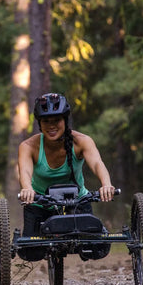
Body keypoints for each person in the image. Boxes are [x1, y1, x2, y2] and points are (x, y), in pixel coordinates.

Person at [17, 93, 115, 261]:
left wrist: (106, 184)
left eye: (56, 120)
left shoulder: (82, 141)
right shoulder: (28, 146)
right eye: (46, 121)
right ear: (39, 124)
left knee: (97, 249)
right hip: (41, 202)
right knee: (30, 253)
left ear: (65, 120)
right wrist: (27, 189)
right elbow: (24, 172)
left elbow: (97, 163)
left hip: (78, 201)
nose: (51, 126)